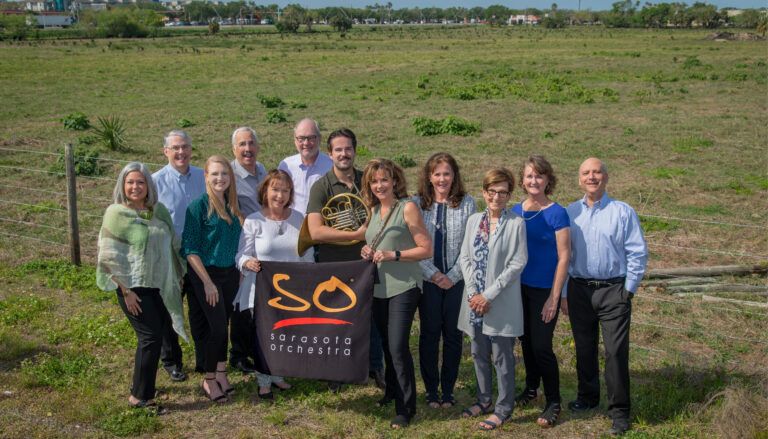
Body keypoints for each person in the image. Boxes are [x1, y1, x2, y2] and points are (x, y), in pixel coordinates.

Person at [562, 157, 648, 436]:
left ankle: (619, 411)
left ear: (606, 177)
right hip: (579, 289)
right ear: (579, 179)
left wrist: (629, 289)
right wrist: (563, 293)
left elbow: (637, 251)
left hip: (614, 291)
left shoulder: (623, 212)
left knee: (615, 352)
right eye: (586, 172)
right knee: (584, 347)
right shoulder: (570, 213)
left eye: (597, 172)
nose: (591, 177)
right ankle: (587, 398)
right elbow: (564, 257)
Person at [96, 162, 186, 414]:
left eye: (140, 182)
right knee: (150, 337)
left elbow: (171, 244)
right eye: (130, 182)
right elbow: (108, 256)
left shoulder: (158, 211)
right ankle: (139, 397)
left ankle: (142, 386)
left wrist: (176, 273)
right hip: (132, 288)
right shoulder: (116, 213)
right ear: (122, 186)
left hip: (157, 285)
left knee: (155, 335)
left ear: (149, 185)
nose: (135, 187)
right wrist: (126, 291)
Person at [305, 128, 384, 392]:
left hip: (367, 263)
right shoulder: (322, 186)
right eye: (338, 149)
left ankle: (375, 366)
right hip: (333, 264)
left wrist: (368, 236)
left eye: (348, 149)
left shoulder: (367, 180)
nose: (343, 154)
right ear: (330, 153)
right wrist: (356, 233)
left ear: (355, 150)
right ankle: (335, 373)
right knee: (336, 320)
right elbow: (315, 231)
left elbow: (383, 215)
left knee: (371, 317)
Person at [360, 158, 432, 429]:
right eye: (374, 181)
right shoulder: (373, 210)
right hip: (379, 288)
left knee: (398, 346)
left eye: (384, 179)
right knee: (389, 346)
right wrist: (366, 251)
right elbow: (372, 243)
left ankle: (406, 407)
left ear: (394, 180)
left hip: (405, 286)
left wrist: (395, 254)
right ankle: (391, 391)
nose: (379, 185)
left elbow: (426, 249)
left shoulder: (408, 208)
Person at [457, 167, 527, 432]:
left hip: (499, 301)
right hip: (473, 301)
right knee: (478, 352)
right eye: (492, 191)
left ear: (509, 195)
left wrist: (488, 295)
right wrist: (474, 293)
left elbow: (517, 262)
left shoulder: (516, 223)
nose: (497, 197)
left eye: (503, 192)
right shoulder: (474, 220)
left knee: (502, 355)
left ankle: (503, 407)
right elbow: (465, 257)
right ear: (484, 192)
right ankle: (485, 400)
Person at [235, 170, 313, 399]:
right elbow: (240, 255)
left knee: (286, 334)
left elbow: (307, 255)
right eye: (275, 189)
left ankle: (278, 374)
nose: (280, 195)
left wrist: (308, 279)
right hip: (262, 290)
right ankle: (263, 380)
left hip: (292, 291)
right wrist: (247, 262)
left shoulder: (299, 219)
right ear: (266, 191)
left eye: (285, 190)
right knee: (263, 335)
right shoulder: (253, 221)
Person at [510, 155, 570, 428]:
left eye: (539, 176)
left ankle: (554, 401)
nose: (534, 181)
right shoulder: (515, 211)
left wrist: (554, 298)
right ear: (522, 180)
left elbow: (564, 257)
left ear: (548, 180)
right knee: (525, 341)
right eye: (529, 176)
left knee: (542, 346)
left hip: (545, 290)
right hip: (517, 289)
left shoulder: (557, 213)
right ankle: (531, 388)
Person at [413, 152, 476, 409]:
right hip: (427, 279)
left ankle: (448, 390)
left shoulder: (467, 203)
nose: (442, 179)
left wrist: (452, 276)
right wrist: (433, 274)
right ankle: (430, 390)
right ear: (429, 176)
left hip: (456, 280)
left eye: (447, 173)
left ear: (454, 176)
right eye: (437, 173)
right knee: (429, 334)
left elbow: (470, 245)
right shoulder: (416, 204)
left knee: (452, 336)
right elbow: (412, 242)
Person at [181, 155, 244, 403]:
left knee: (224, 325)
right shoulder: (198, 207)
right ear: (206, 176)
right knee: (216, 328)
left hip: (230, 274)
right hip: (206, 274)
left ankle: (220, 372)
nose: (220, 178)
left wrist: (239, 274)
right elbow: (190, 248)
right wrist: (207, 282)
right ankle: (208, 379)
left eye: (225, 174)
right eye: (215, 174)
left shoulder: (233, 207)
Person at [152, 129, 206, 378]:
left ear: (191, 149)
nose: (181, 152)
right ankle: (172, 361)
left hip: (199, 254)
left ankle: (205, 358)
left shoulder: (203, 176)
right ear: (166, 152)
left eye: (184, 147)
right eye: (175, 148)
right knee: (169, 308)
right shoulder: (155, 182)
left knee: (200, 308)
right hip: (170, 257)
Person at [228, 126, 268, 375]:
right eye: (242, 144)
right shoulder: (230, 175)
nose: (247, 149)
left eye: (251, 143)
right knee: (242, 303)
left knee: (258, 301)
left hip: (263, 244)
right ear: (234, 149)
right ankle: (239, 354)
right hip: (244, 244)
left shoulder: (263, 170)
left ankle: (256, 349)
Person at [277, 118, 333, 214]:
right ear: (295, 140)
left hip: (323, 224)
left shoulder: (331, 165)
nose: (306, 143)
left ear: (319, 138)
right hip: (293, 225)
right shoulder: (286, 166)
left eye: (311, 138)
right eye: (301, 138)